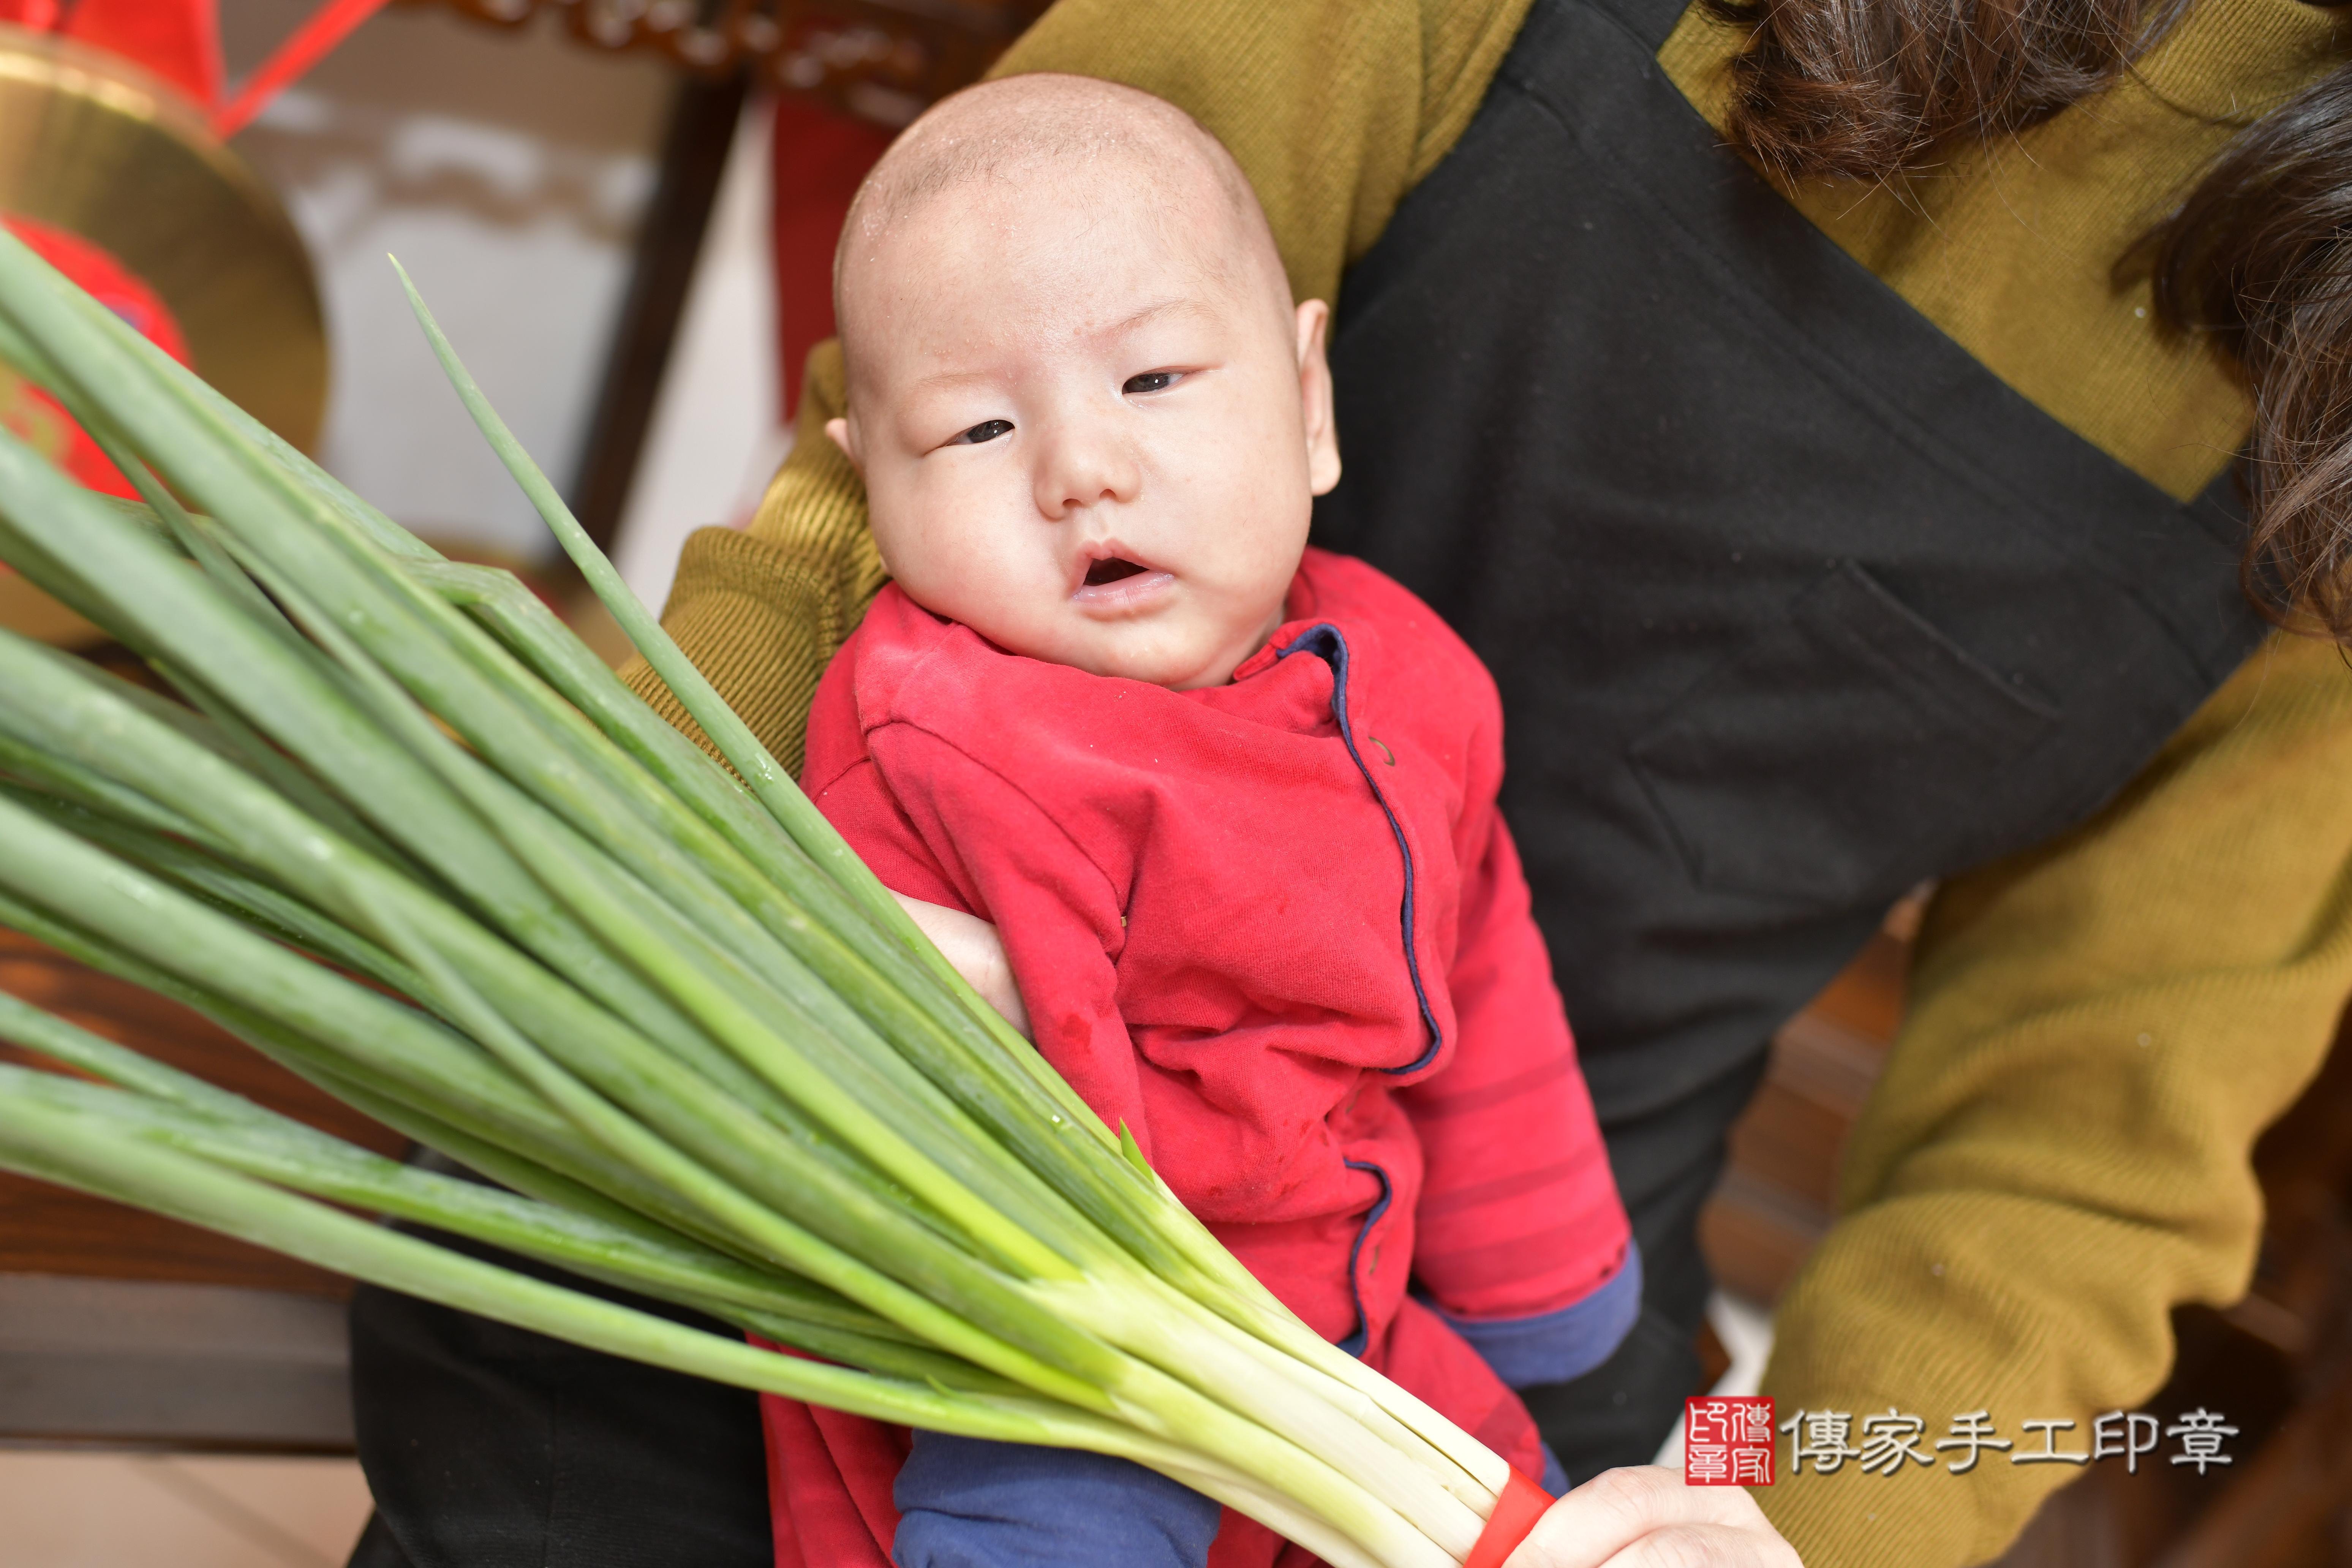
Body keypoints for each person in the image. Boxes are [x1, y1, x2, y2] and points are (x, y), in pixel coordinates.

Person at [345, 2, 2352, 1566]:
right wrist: (665, 918)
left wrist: (1783, 1523)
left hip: (1493, 1342)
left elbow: (2074, 1177)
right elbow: (869, 488)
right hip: (885, 1113)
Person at [778, 73, 1635, 1567]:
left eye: (1156, 382)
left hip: (1361, 1308)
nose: (1079, 470)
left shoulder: (1415, 685)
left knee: (1536, 1508)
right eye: (977, 431)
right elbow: (967, 1117)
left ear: (1310, 404)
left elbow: (1483, 975)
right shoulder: (928, 737)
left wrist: (1543, 1275)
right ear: (874, 484)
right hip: (1069, 1352)